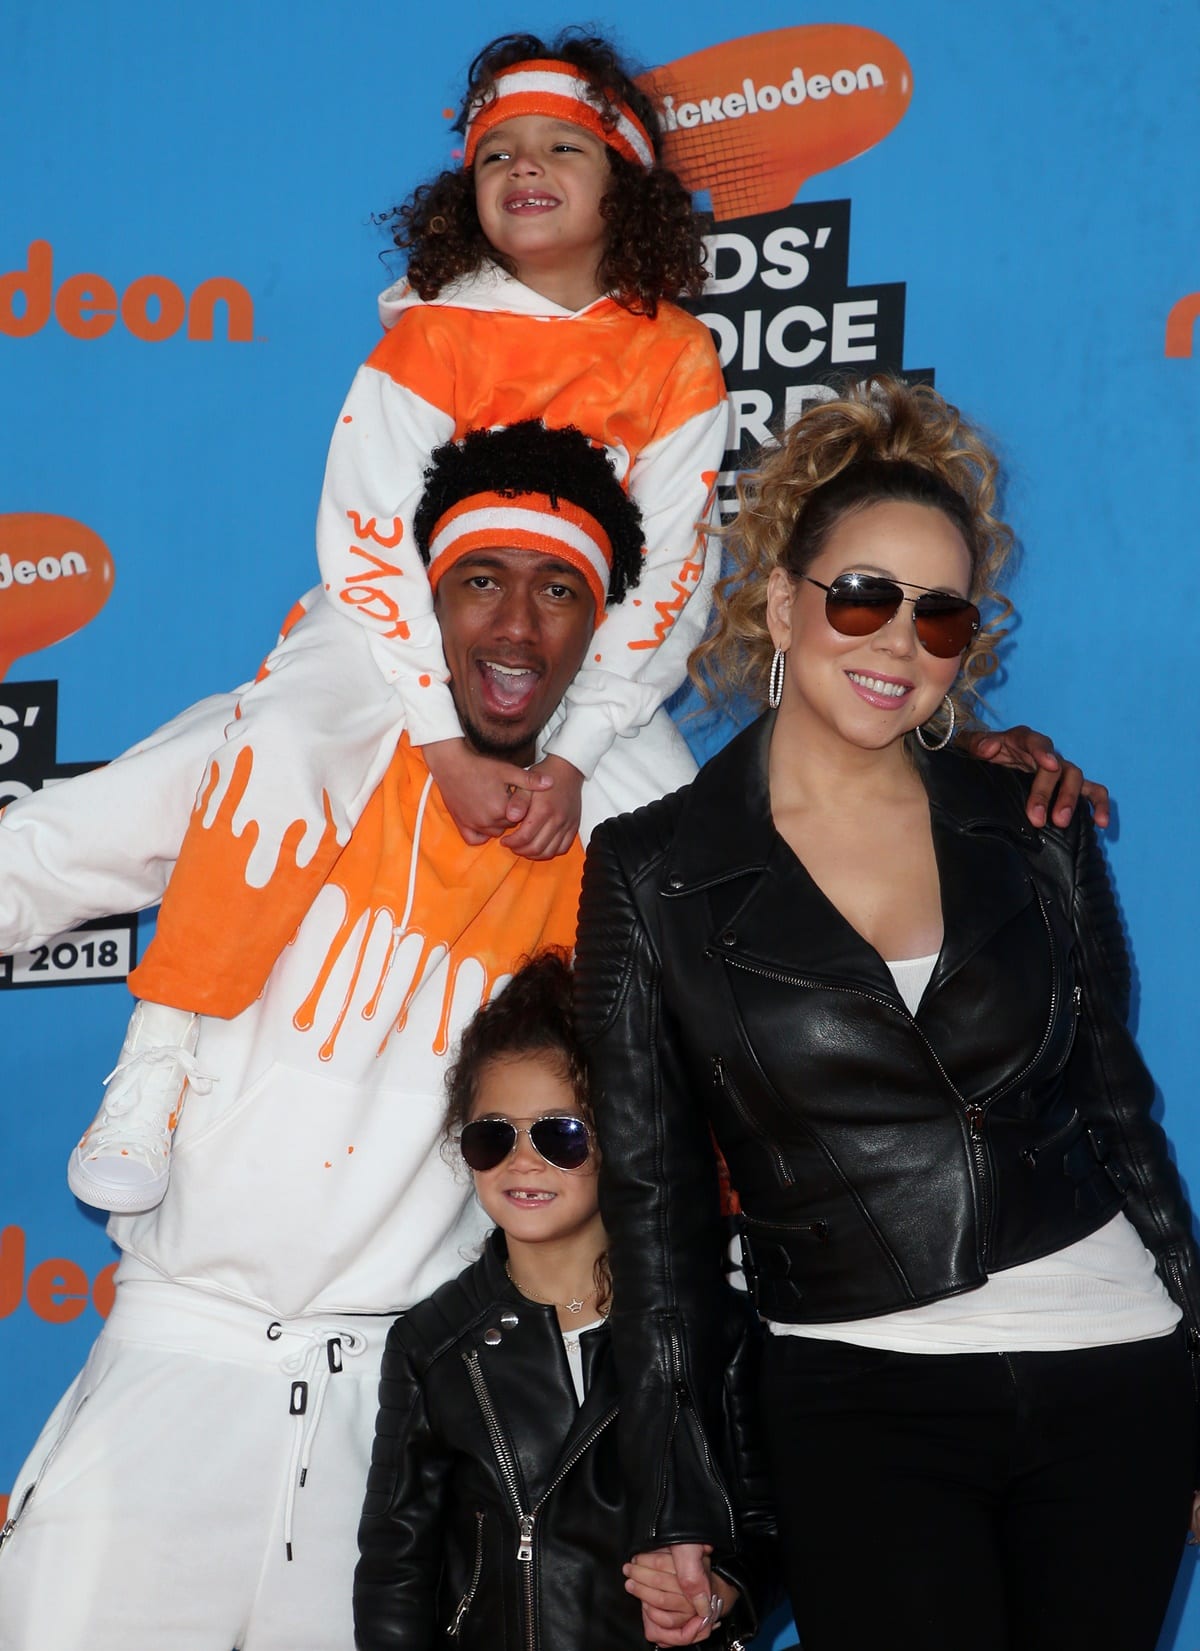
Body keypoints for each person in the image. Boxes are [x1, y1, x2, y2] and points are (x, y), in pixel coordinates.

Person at [0, 421, 693, 1651]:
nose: (517, 627)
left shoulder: (627, 819)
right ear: (423, 599)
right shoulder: (289, 747)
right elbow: (34, 860)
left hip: (412, 1428)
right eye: (481, 581)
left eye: (560, 591)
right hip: (176, 1369)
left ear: (605, 629)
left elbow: (777, 911)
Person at [573, 376, 1200, 1651]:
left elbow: (1117, 1111)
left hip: (1116, 1370)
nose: (896, 643)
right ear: (779, 606)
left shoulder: (1027, 822)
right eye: (861, 595)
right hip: (860, 1394)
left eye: (941, 615)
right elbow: (655, 1212)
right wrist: (674, 1495)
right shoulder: (655, 871)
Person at [65, 27, 730, 1217]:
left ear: (623, 180)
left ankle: (711, 1189)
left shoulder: (676, 357)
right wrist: (438, 734)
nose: (525, 170)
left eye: (562, 147)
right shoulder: (432, 331)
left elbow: (671, 574)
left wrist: (577, 755)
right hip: (390, 640)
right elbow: (368, 531)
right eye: (497, 155)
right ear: (461, 193)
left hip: (578, 672)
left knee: (689, 863)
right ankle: (157, 1061)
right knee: (266, 760)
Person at [354, 949, 770, 1650]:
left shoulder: (713, 1329)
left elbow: (765, 1522)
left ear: (625, 1137)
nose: (523, 1159)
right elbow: (396, 1569)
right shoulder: (432, 1344)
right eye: (494, 1135)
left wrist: (723, 1591)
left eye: (560, 1133)